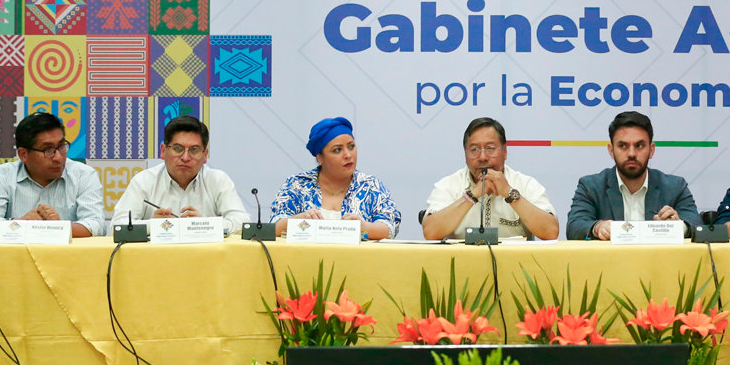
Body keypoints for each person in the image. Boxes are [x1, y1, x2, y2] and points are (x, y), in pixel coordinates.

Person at [566, 111, 702, 240]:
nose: (631, 153)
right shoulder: (591, 186)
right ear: (611, 150)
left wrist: (677, 226)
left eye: (639, 145)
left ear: (651, 150)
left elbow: (698, 226)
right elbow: (574, 227)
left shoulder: (675, 187)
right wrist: (597, 227)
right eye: (623, 146)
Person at [423, 117, 558, 241]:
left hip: (516, 265)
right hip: (461, 265)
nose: (483, 157)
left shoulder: (525, 184)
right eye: (474, 149)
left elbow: (551, 231)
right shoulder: (448, 185)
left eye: (490, 148)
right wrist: (472, 195)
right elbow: (430, 232)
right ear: (465, 155)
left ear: (505, 152)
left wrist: (509, 193)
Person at [112, 116, 250, 234]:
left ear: (205, 155)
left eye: (194, 150)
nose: (185, 157)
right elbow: (117, 226)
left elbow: (243, 222)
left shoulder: (218, 180)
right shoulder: (144, 181)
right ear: (163, 151)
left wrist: (204, 225)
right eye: (178, 149)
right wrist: (153, 226)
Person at [267, 117, 400, 239]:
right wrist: (297, 221)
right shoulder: (297, 185)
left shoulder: (371, 186)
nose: (348, 155)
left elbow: (389, 227)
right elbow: (274, 226)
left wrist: (364, 227)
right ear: (320, 158)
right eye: (337, 150)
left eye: (351, 146)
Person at [0, 112, 106, 237]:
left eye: (62, 147)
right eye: (48, 150)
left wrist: (57, 227)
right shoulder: (2, 176)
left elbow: (97, 225)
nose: (58, 157)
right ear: (23, 154)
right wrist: (20, 224)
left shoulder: (83, 175)